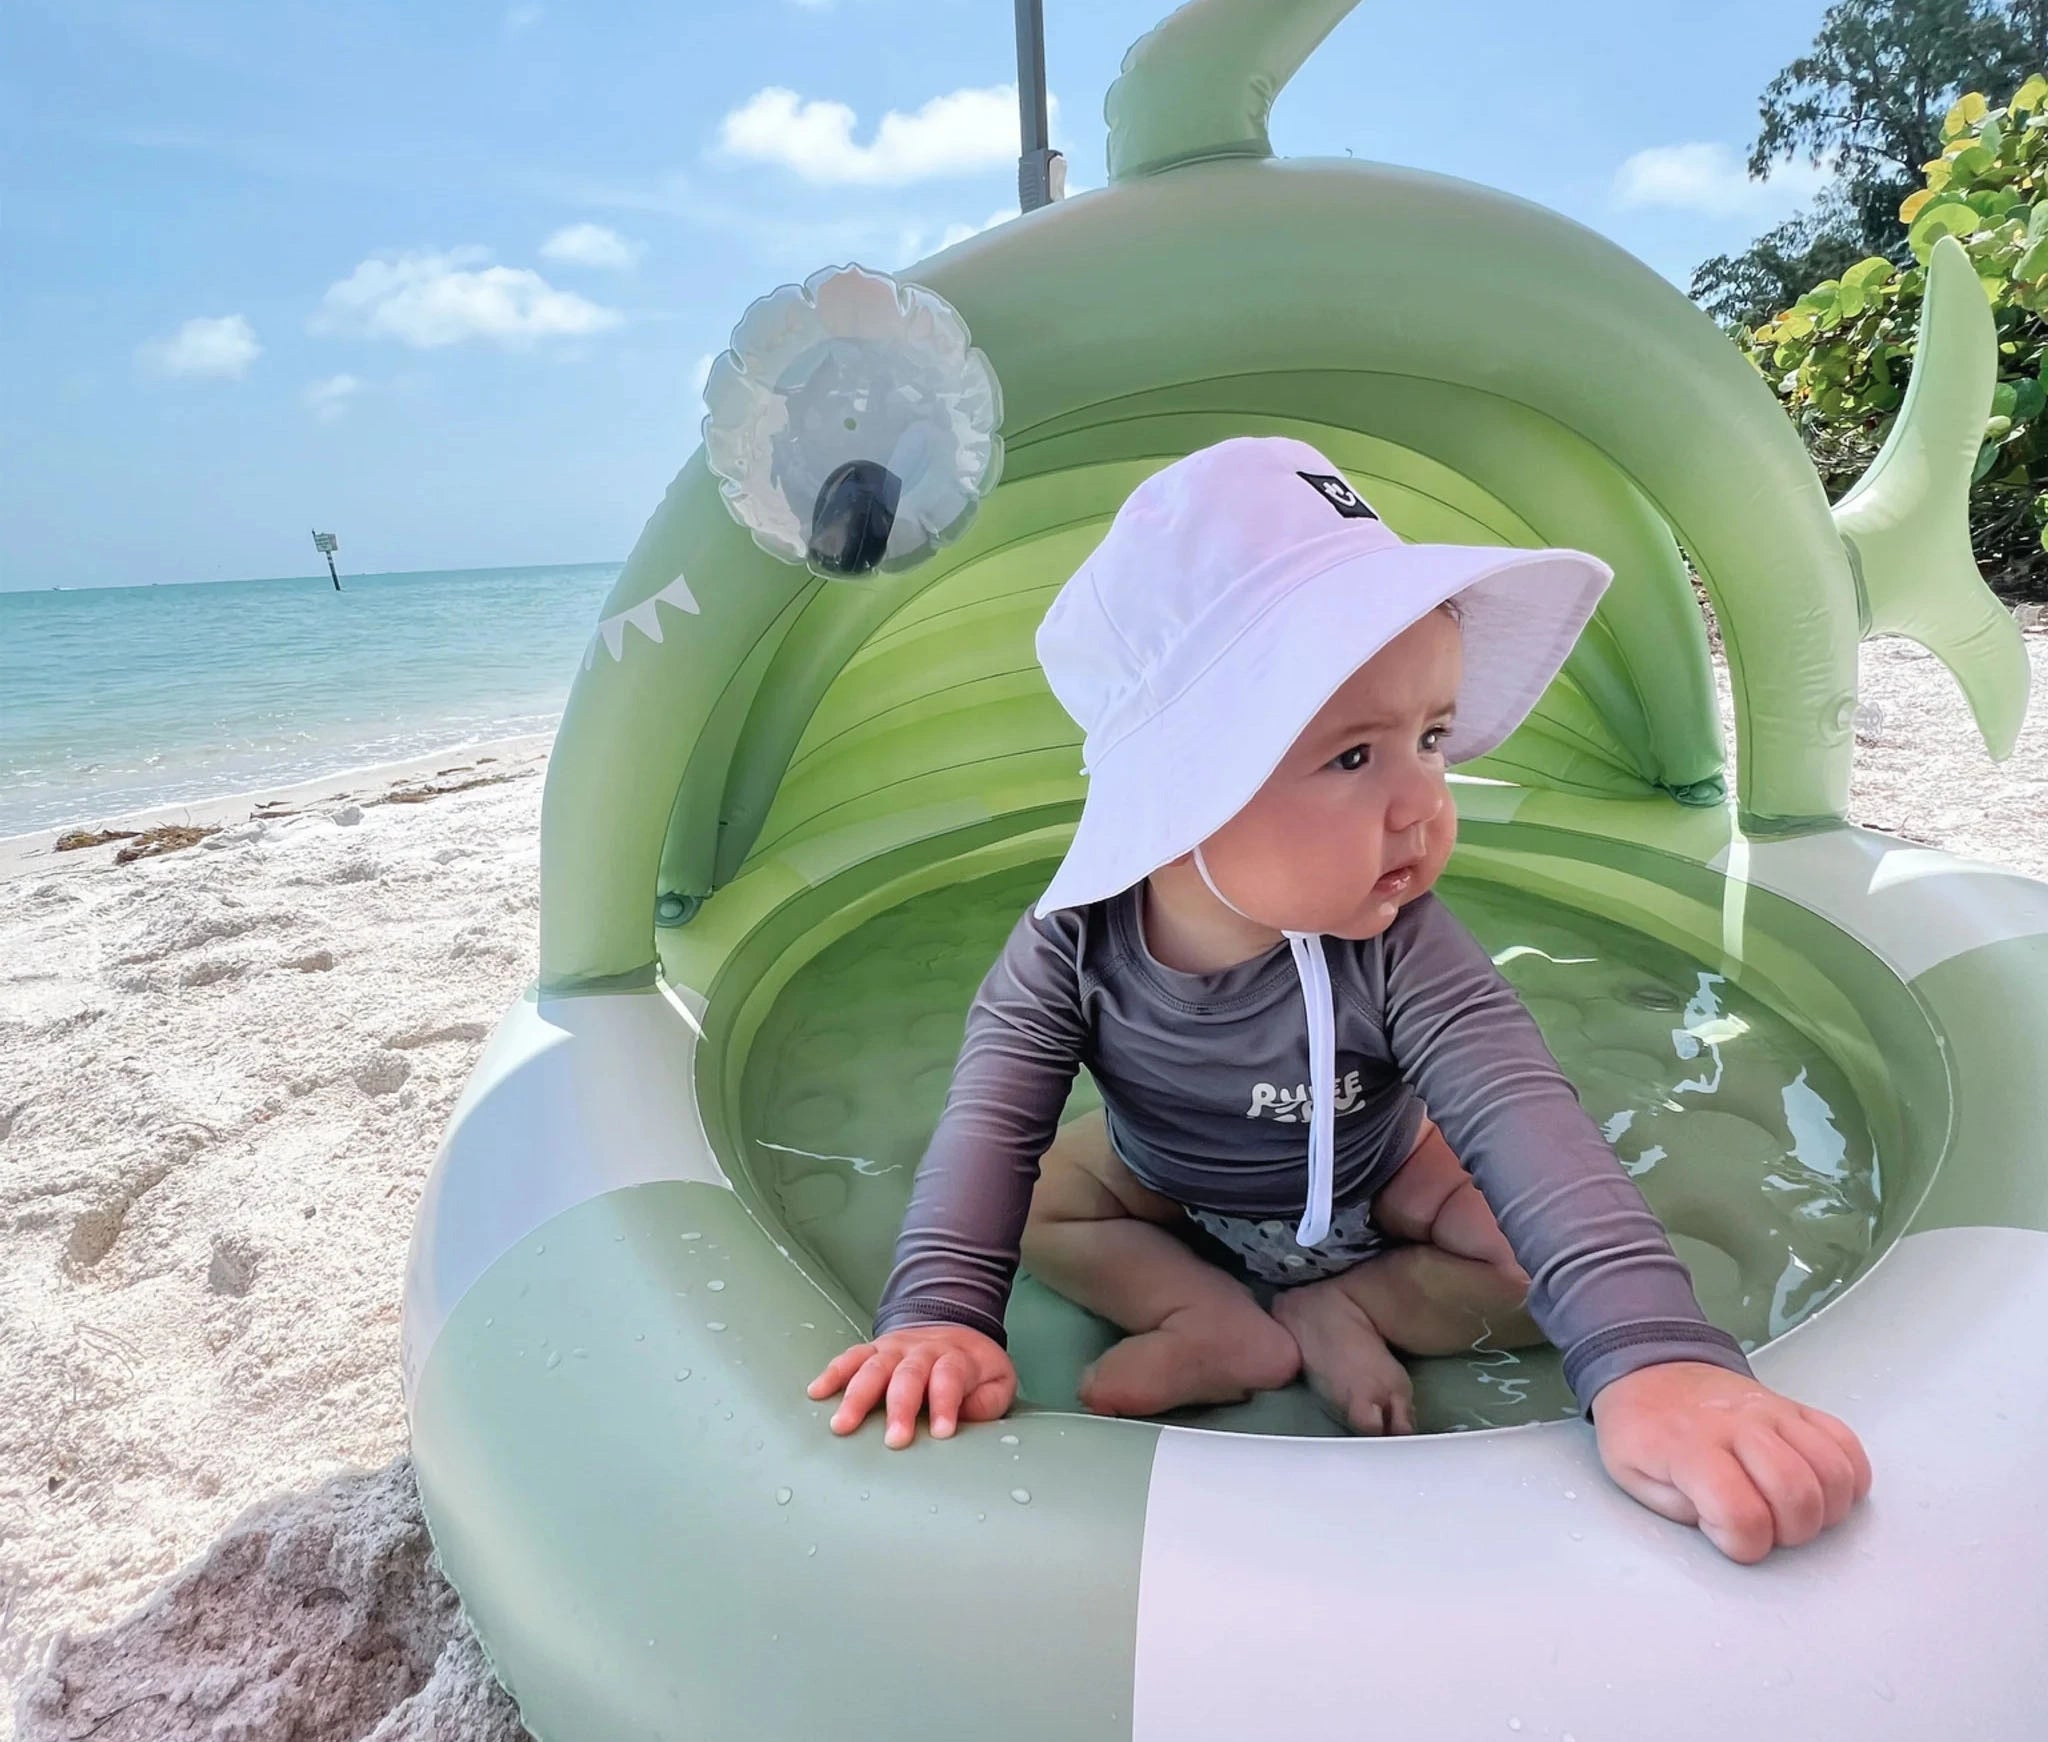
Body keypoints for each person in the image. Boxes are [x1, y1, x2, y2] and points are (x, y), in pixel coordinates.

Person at [808, 435, 1871, 1564]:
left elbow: (1527, 1120)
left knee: (1517, 1251)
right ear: (1183, 788)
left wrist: (1653, 1353)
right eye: (1354, 757)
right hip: (1161, 1172)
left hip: (1381, 1166)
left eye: (1430, 737)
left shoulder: (1403, 943)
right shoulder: (1072, 945)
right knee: (1031, 1201)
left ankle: (1349, 1305)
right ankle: (1206, 1319)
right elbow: (987, 1122)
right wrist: (936, 1313)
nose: (1423, 800)